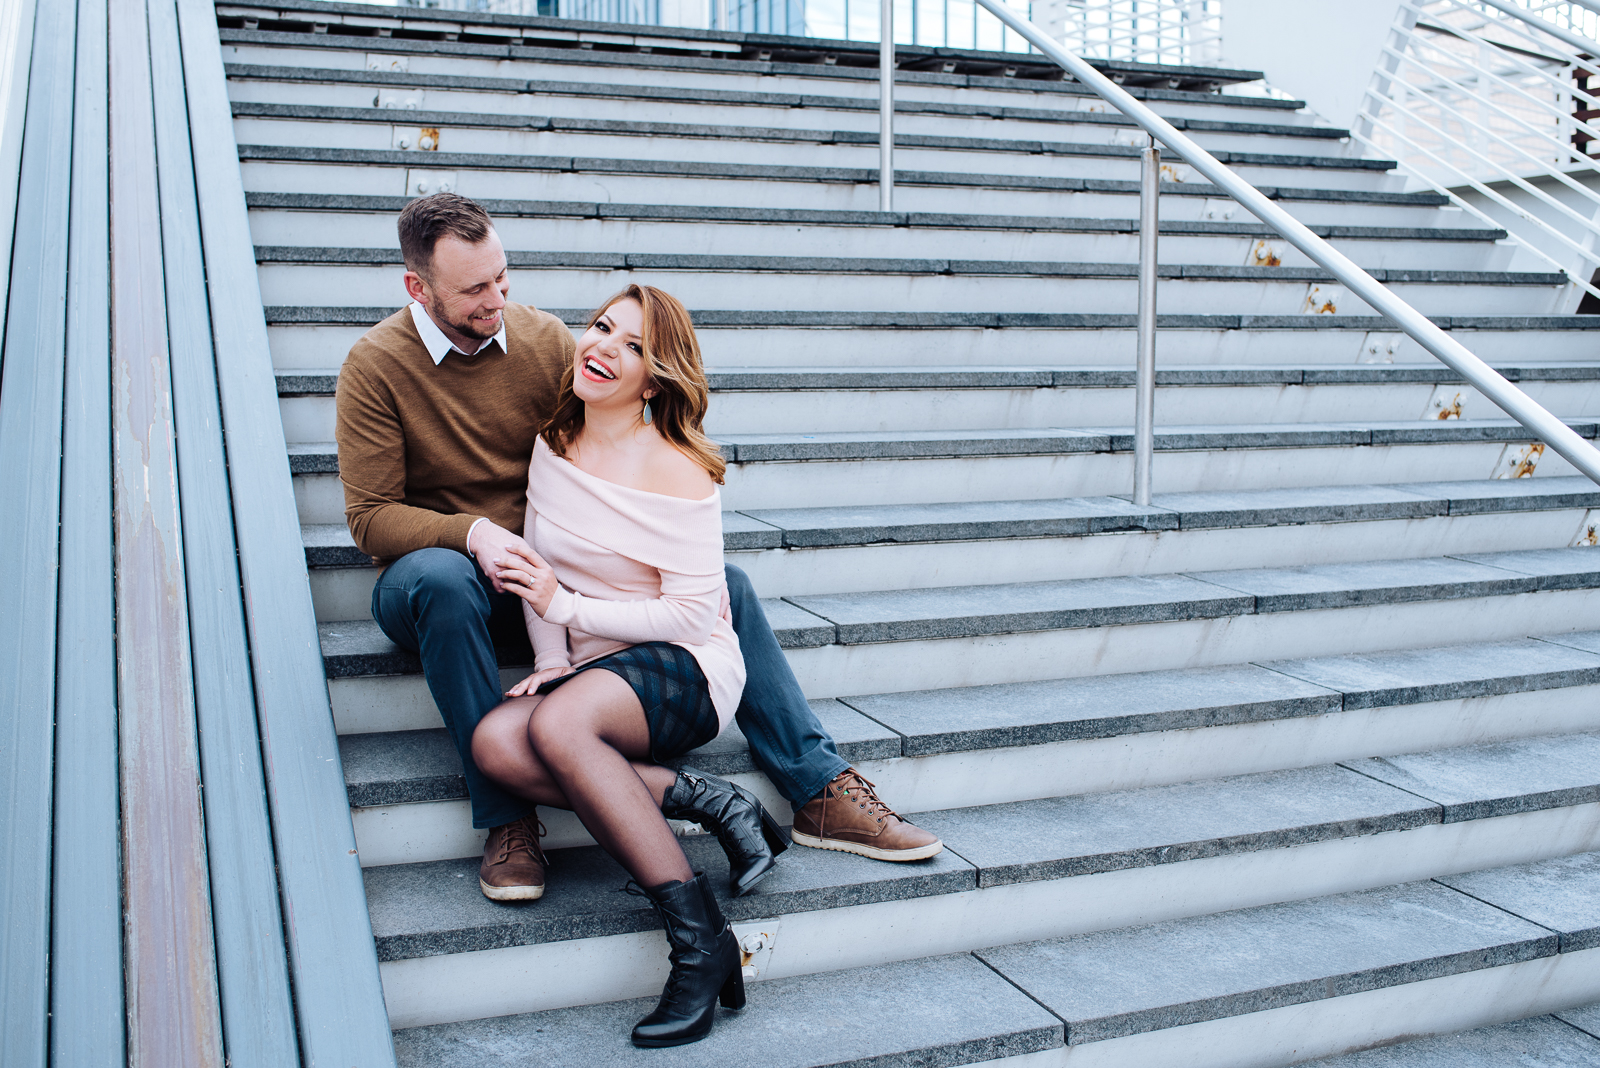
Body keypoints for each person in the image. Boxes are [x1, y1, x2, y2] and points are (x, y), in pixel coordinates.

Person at [335, 193, 941, 906]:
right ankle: (507, 819)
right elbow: (371, 517)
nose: (497, 298)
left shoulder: (542, 341)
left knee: (726, 584)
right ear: (418, 287)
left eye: (503, 277)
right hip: (440, 584)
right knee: (442, 581)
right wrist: (471, 532)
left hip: (550, 575)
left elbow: (616, 426)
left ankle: (816, 787)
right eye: (474, 289)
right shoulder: (374, 366)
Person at [472, 285, 767, 1046]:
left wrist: (571, 617)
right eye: (603, 327)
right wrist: (548, 658)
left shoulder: (678, 469)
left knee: (563, 723)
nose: (604, 347)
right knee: (497, 743)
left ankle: (700, 948)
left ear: (656, 377)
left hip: (686, 669)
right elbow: (537, 567)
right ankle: (703, 798)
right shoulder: (556, 440)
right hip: (597, 672)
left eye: (634, 345)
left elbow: (694, 616)